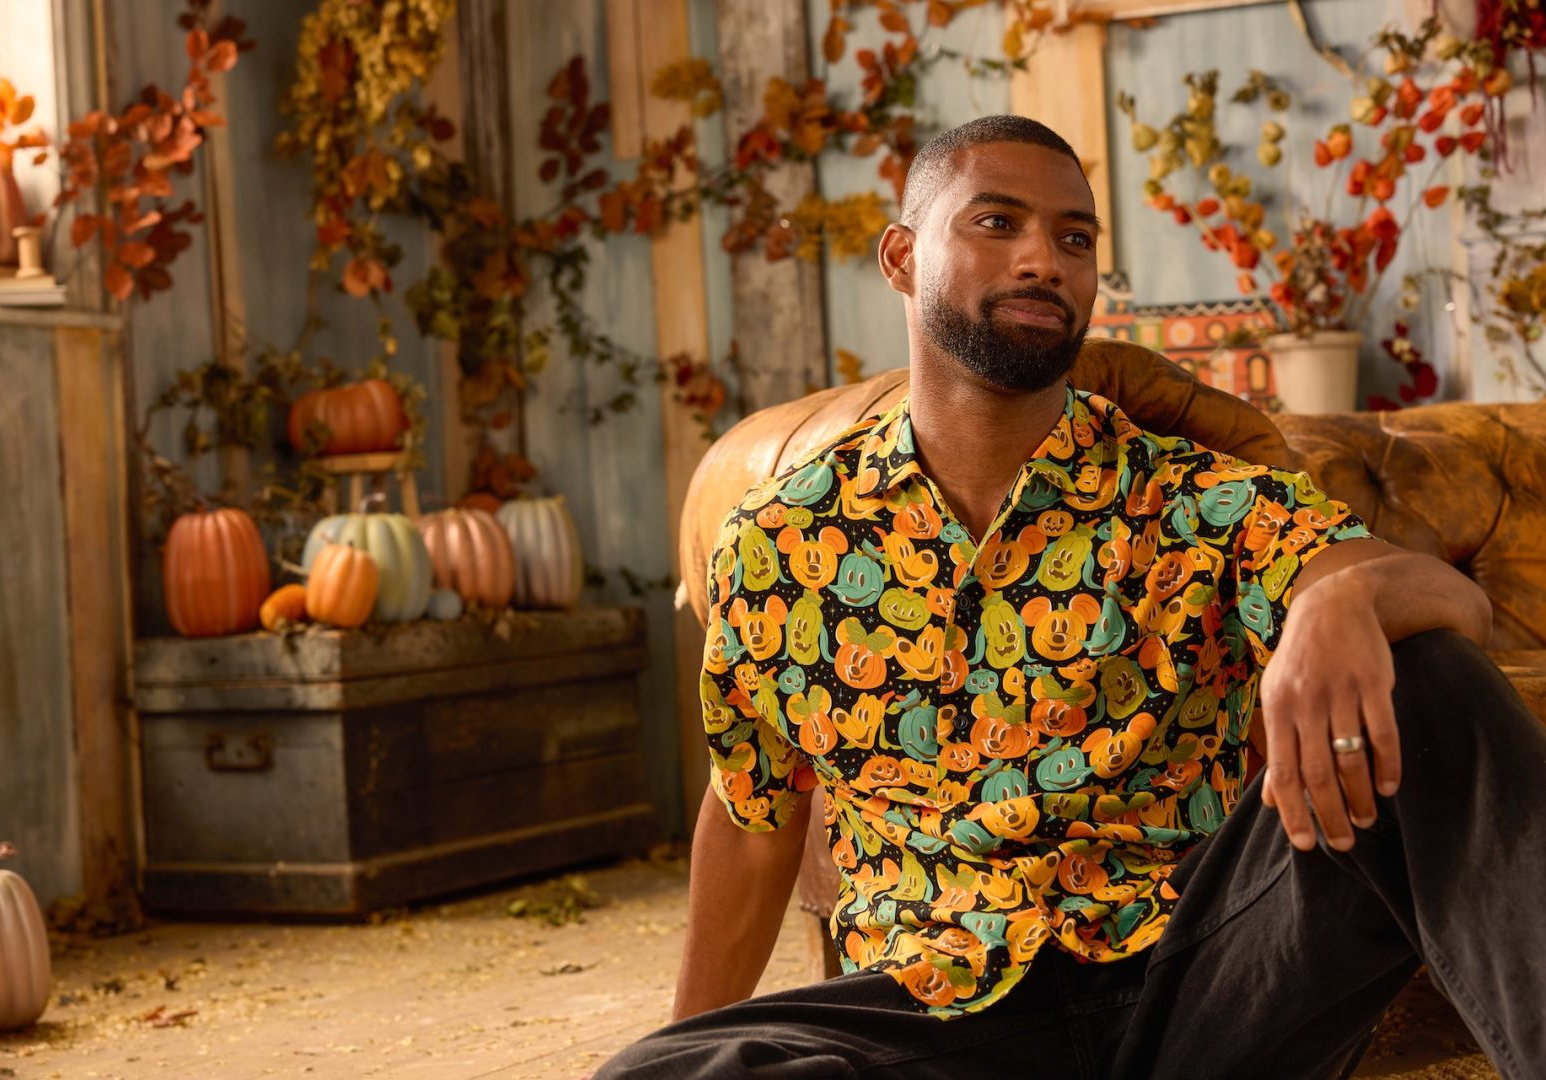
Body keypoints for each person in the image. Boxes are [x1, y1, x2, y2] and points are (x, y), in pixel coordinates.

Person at [595, 115, 1545, 1080]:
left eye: (1074, 238)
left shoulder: (1194, 498)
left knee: (1425, 676)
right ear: (900, 256)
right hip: (940, 1014)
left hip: (1203, 989)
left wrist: (1336, 605)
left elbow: (1449, 607)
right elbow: (752, 816)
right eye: (997, 223)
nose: (1043, 260)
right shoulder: (779, 540)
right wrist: (683, 1045)